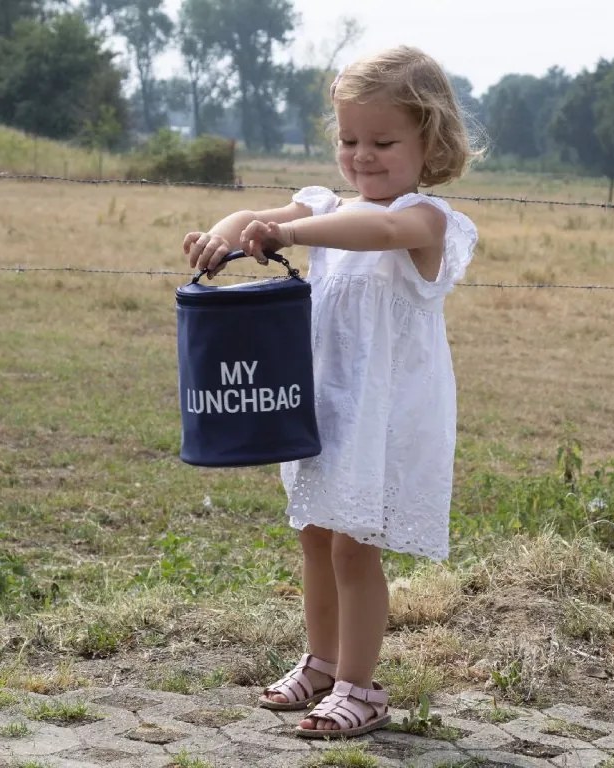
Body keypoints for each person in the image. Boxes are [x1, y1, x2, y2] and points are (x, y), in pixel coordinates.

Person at [182, 45, 480, 738]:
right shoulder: (321, 206)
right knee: (315, 534)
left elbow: (378, 230)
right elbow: (258, 215)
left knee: (354, 546)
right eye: (349, 139)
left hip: (386, 413)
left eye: (383, 141)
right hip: (323, 402)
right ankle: (320, 661)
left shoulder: (428, 220)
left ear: (429, 142)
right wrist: (227, 235)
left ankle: (361, 687)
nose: (362, 156)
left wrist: (284, 231)